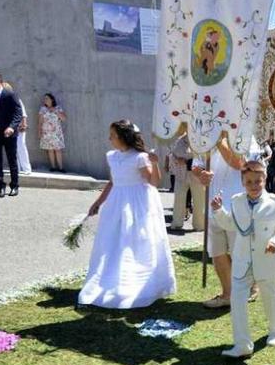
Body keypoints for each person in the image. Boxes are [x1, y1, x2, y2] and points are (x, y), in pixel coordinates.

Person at [78, 120, 175, 309]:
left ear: (123, 137)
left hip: (137, 203)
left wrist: (154, 164)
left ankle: (139, 283)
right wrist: (98, 202)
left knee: (134, 242)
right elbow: (113, 182)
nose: (109, 139)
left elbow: (154, 182)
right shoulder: (112, 156)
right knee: (113, 241)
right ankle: (112, 280)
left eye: (113, 136)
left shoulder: (139, 157)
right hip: (117, 202)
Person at [211, 160, 275, 357]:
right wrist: (218, 211)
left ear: (265, 180)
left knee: (270, 295)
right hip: (242, 259)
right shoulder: (237, 201)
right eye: (249, 182)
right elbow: (231, 224)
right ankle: (242, 344)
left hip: (266, 258)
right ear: (242, 182)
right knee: (237, 300)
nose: (254, 186)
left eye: (258, 181)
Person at [193, 136, 253, 308]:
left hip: (237, 206)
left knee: (239, 255)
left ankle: (247, 288)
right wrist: (201, 174)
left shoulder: (245, 136)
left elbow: (240, 164)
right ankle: (228, 294)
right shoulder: (205, 136)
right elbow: (196, 164)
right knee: (217, 252)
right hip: (213, 204)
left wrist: (219, 140)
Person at [2, 82, 31, 175]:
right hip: (8, 127)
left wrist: (24, 124)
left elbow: (23, 113)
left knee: (21, 147)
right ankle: (17, 168)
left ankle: (26, 168)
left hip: (18, 127)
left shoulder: (15, 98)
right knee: (13, 148)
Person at [169, 132, 194, 230]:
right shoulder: (179, 140)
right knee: (179, 198)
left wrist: (187, 162)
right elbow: (172, 154)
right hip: (180, 173)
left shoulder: (202, 139)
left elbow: (202, 157)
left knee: (199, 200)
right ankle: (177, 222)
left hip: (196, 173)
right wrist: (175, 160)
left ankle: (199, 224)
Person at [37, 93, 66, 172]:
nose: (45, 100)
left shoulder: (58, 108)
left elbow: (63, 118)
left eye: (47, 98)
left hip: (56, 132)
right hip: (46, 132)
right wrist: (39, 132)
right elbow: (40, 122)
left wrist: (56, 111)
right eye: (44, 99)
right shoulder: (43, 109)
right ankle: (53, 166)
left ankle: (61, 167)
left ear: (51, 99)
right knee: (50, 149)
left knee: (58, 149)